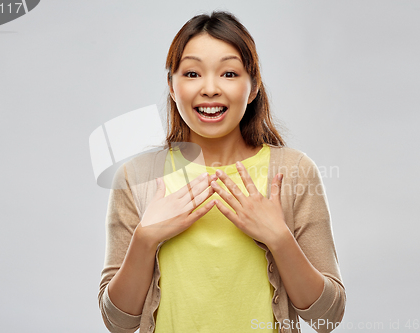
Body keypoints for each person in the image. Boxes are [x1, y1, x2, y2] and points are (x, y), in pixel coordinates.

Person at [98, 11, 346, 333]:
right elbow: (118, 322)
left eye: (229, 74)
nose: (210, 89)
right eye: (192, 73)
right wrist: (145, 239)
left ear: (253, 86)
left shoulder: (294, 172)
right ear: (172, 86)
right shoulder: (137, 177)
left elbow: (327, 317)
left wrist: (278, 237)